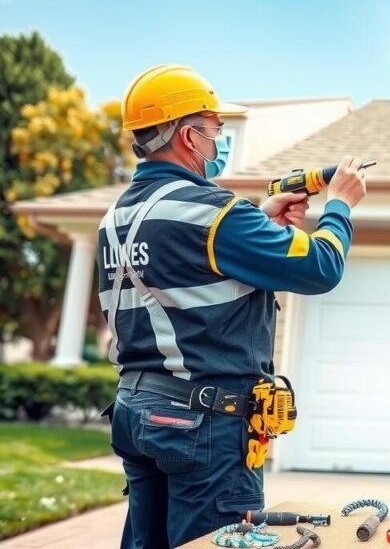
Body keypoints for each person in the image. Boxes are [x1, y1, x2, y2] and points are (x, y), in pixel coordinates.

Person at [97, 64, 367, 548]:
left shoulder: (116, 217)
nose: (219, 140)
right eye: (216, 128)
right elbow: (321, 267)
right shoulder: (213, 211)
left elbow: (186, 277)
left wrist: (258, 222)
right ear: (189, 136)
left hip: (137, 410)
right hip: (203, 426)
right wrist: (340, 206)